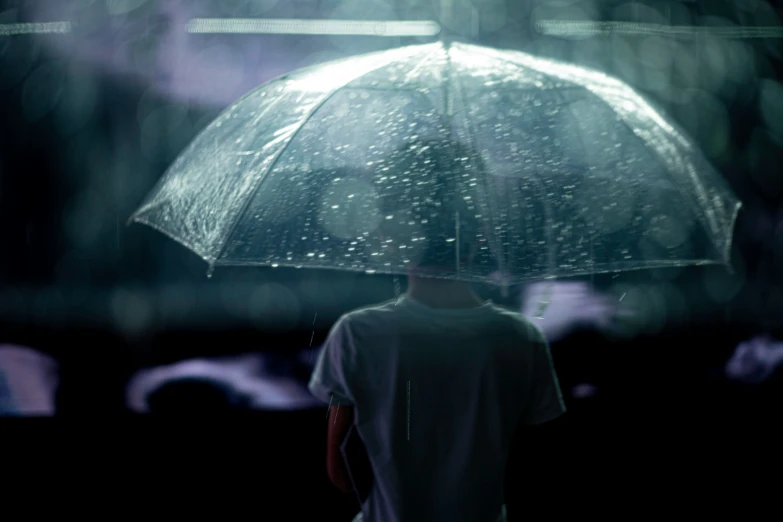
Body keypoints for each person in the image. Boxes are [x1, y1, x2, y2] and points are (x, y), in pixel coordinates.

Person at [308, 139, 566, 522]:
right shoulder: (521, 339)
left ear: (394, 237)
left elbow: (340, 473)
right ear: (479, 233)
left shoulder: (356, 334)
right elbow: (536, 472)